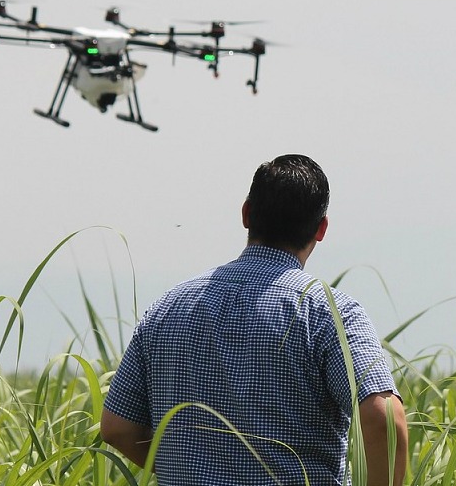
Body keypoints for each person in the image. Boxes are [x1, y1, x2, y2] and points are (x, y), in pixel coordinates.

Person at [101, 154, 408, 486]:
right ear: (321, 229)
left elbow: (117, 427)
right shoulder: (329, 313)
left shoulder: (167, 308)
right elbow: (384, 420)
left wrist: (188, 468)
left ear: (246, 214)